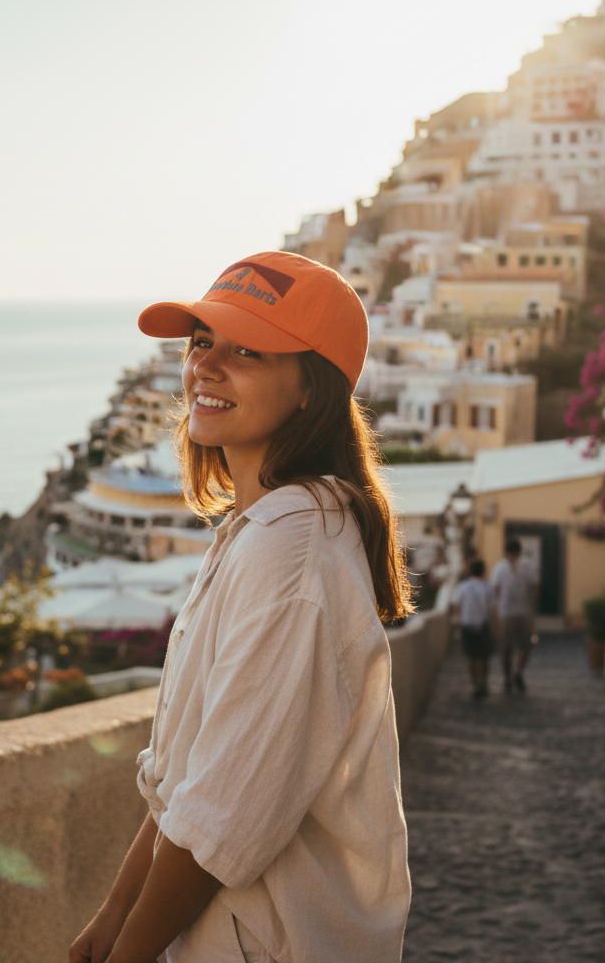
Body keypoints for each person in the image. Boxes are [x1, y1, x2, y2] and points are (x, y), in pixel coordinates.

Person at [69, 251, 414, 963]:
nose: (205, 366)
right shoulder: (262, 530)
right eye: (201, 342)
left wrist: (129, 951)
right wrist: (114, 910)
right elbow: (188, 776)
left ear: (312, 390)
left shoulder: (291, 556)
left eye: (247, 350)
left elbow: (220, 822)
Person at [490, 537, 539, 694]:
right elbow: (536, 586)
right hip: (516, 612)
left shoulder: (501, 568)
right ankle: (512, 675)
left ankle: (513, 674)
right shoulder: (525, 566)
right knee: (513, 647)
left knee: (518, 646)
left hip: (511, 613)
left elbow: (495, 590)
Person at [449, 558, 497, 699]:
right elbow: (493, 610)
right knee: (484, 657)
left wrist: (458, 623)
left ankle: (475, 684)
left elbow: (456, 608)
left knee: (472, 657)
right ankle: (484, 683)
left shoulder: (462, 587)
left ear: (469, 571)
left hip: (467, 626)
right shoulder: (487, 587)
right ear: (483, 571)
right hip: (483, 625)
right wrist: (497, 627)